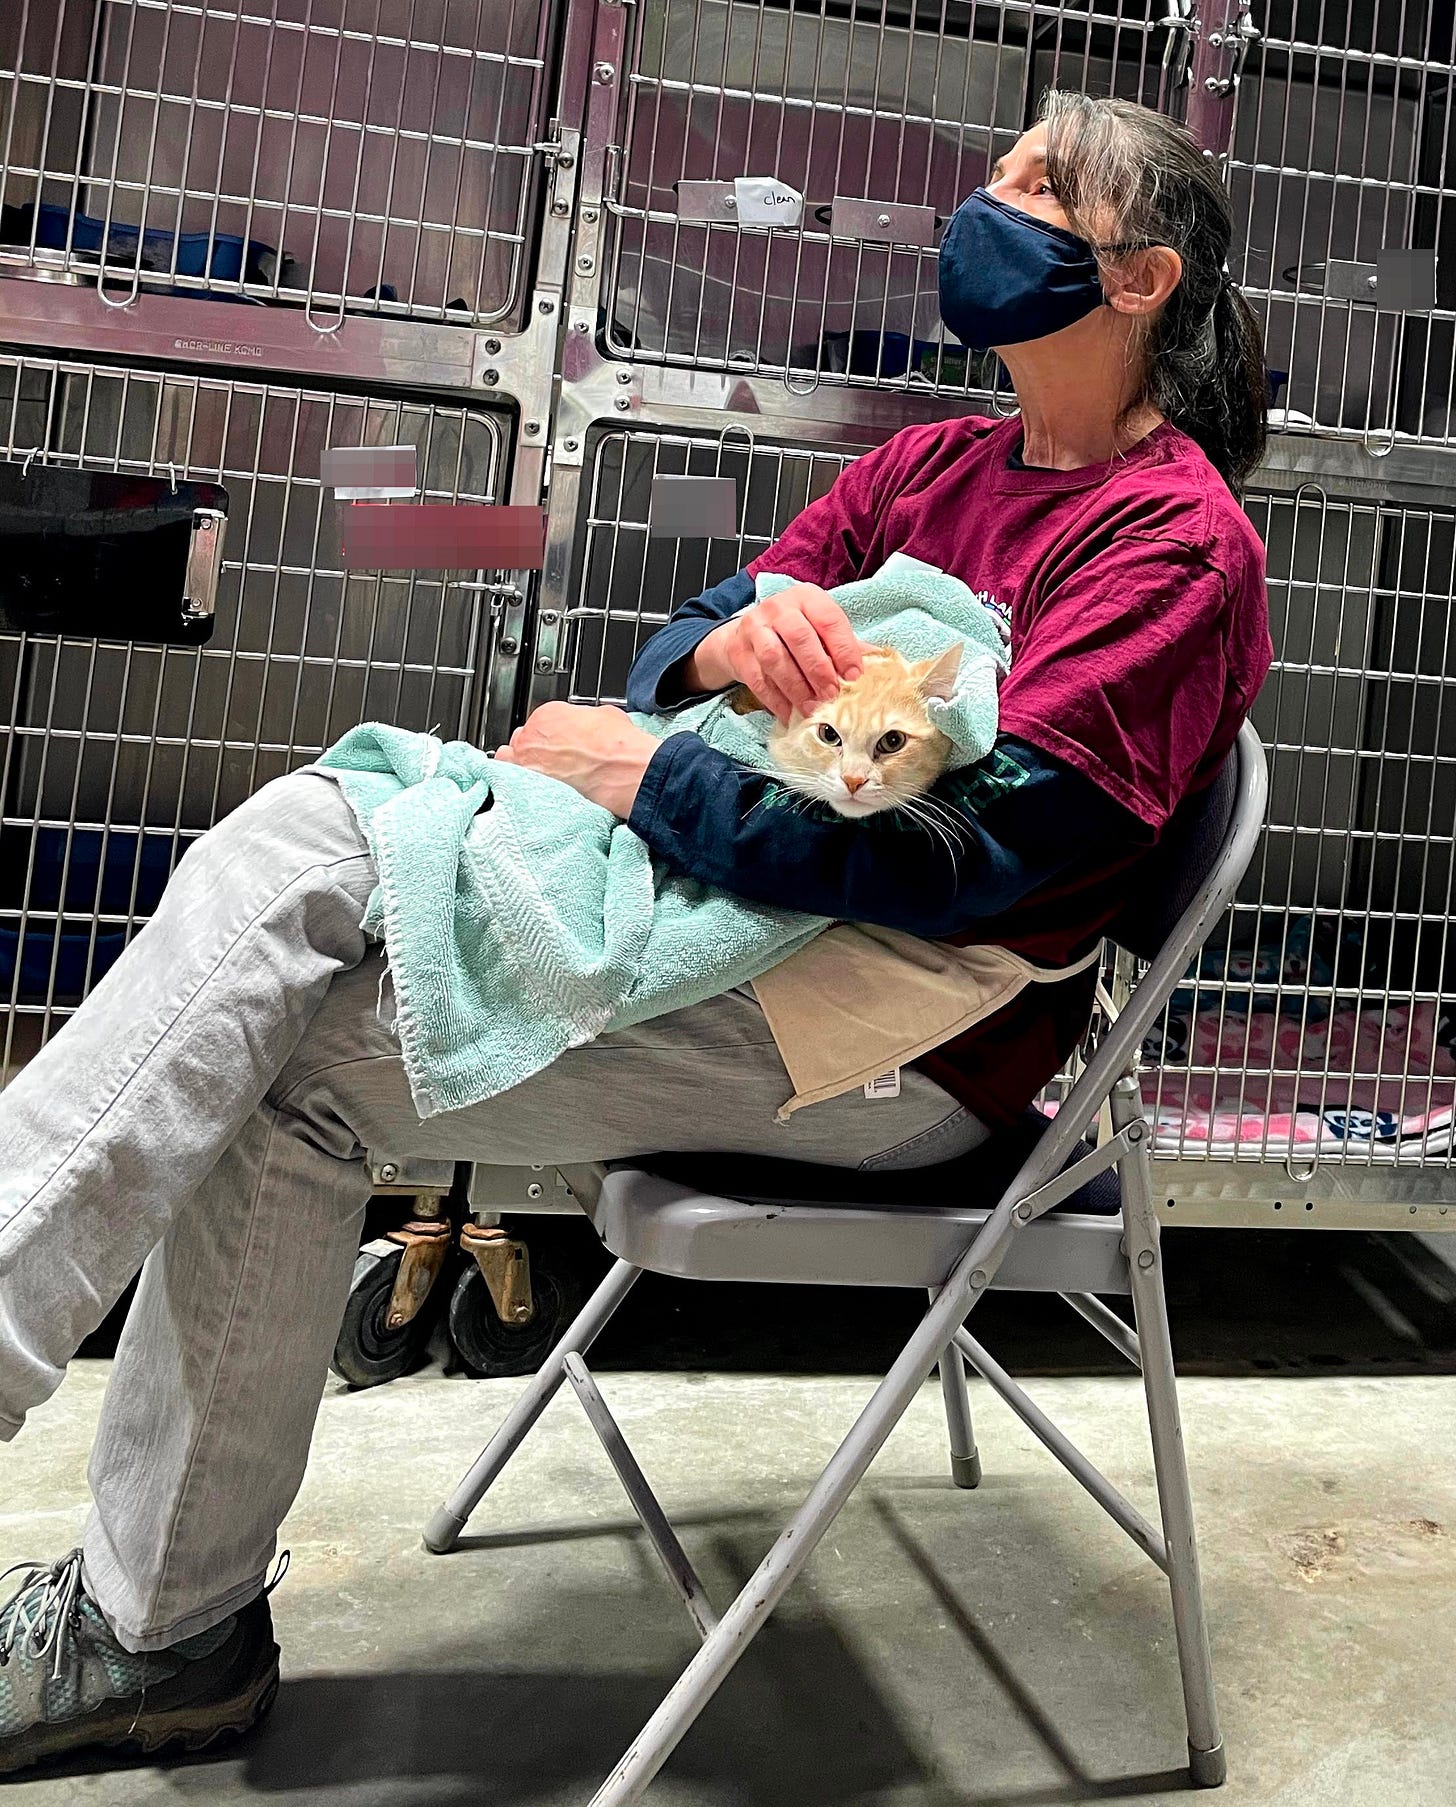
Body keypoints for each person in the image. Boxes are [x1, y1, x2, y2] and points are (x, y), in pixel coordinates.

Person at [0, 91, 1272, 1773]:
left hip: (904, 1045)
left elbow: (986, 865)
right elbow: (695, 635)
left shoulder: (1176, 544)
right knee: (298, 898)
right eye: (1001, 169)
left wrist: (647, 772)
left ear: (1138, 278)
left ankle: (160, 1628)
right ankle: (160, 1625)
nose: (991, 199)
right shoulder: (931, 467)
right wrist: (715, 665)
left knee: (294, 989)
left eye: (1041, 189)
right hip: (728, 918)